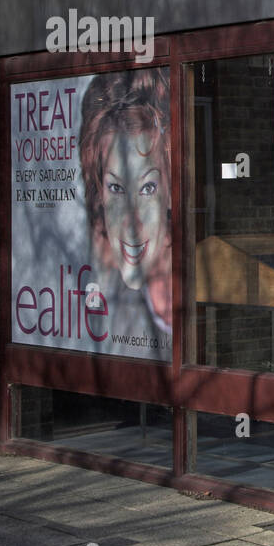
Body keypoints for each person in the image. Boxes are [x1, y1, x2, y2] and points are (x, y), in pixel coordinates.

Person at [78, 69, 172, 354]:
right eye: (116, 189)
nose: (131, 222)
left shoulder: (202, 283)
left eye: (147, 189)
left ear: (172, 191)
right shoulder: (109, 305)